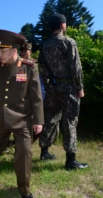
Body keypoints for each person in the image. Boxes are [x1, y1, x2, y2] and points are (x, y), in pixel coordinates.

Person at [0, 29, 44, 198]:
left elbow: (36, 97)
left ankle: (25, 191)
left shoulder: (29, 68)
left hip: (22, 119)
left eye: (2, 51)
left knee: (24, 154)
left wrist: (38, 121)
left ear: (14, 51)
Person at [38, 14, 89, 170]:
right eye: (65, 24)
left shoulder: (44, 45)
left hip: (51, 88)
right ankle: (70, 160)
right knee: (70, 121)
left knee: (50, 119)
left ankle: (44, 152)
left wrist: (48, 84)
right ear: (62, 25)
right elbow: (76, 67)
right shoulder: (69, 42)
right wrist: (80, 87)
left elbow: (41, 67)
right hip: (68, 89)